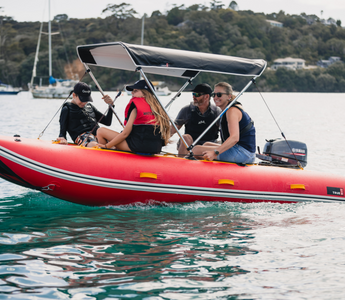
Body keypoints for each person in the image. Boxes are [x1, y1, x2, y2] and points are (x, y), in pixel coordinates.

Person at [96, 79, 170, 154]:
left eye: (135, 91)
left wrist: (106, 146)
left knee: (100, 131)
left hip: (137, 147)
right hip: (155, 148)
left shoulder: (135, 109)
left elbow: (125, 134)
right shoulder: (159, 109)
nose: (132, 93)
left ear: (145, 93)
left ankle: (106, 156)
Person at [192, 82, 256, 164]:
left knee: (196, 150)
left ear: (229, 96)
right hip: (244, 151)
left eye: (219, 94)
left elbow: (234, 138)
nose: (215, 98)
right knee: (206, 144)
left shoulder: (232, 111)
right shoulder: (228, 109)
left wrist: (215, 153)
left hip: (243, 154)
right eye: (213, 95)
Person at [57, 82, 114, 147]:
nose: (84, 103)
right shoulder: (66, 109)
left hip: (98, 135)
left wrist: (110, 106)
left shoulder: (90, 106)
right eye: (82, 100)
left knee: (115, 144)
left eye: (86, 100)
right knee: (92, 142)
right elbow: (62, 133)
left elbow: (107, 122)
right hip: (84, 137)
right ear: (74, 95)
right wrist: (62, 139)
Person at [170, 83, 221, 156]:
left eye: (197, 95)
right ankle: (181, 162)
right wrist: (159, 140)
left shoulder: (217, 112)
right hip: (189, 146)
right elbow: (173, 129)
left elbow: (225, 131)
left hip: (207, 146)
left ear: (206, 97)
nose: (194, 97)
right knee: (185, 137)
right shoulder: (187, 110)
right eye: (193, 94)